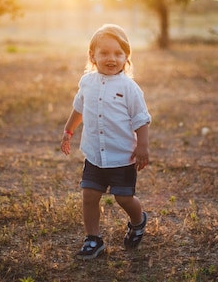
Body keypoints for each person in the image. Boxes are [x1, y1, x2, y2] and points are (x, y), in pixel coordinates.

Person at [60, 24, 152, 260]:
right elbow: (79, 109)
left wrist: (142, 146)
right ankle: (93, 239)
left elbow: (141, 118)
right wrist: (68, 131)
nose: (111, 58)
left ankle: (138, 221)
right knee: (89, 196)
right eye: (104, 53)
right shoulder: (87, 82)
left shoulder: (129, 87)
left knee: (123, 198)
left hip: (122, 157)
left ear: (126, 57)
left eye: (118, 54)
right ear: (93, 56)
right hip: (95, 155)